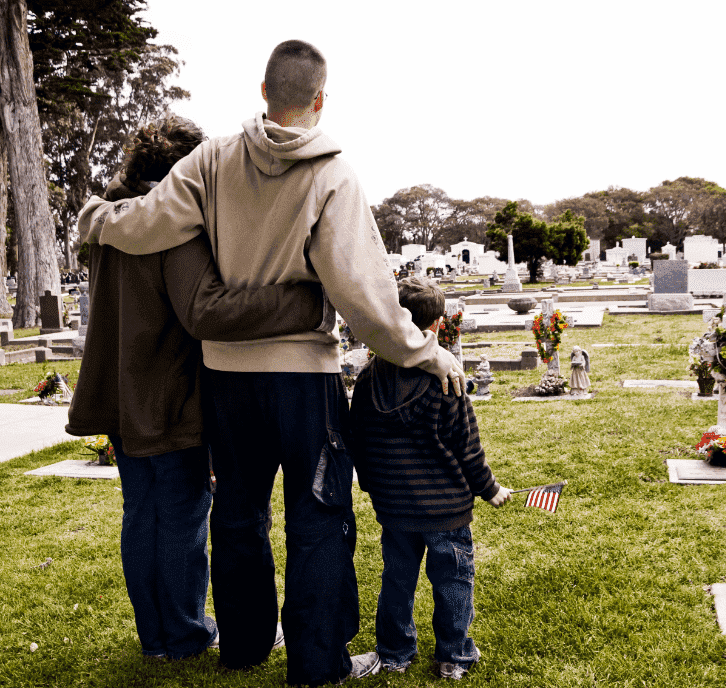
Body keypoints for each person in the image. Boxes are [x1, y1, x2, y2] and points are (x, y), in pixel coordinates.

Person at [75, 40, 465, 685]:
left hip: (226, 380)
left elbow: (145, 225)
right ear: (320, 99)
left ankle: (245, 645)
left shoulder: (211, 159)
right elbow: (362, 295)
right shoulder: (335, 173)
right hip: (302, 379)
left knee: (237, 515)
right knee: (317, 515)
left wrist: (96, 217)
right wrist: (422, 350)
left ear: (262, 91)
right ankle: (316, 661)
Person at [67, 114, 325, 660]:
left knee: (142, 513)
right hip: (169, 390)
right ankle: (184, 633)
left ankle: (157, 635)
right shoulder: (168, 222)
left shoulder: (114, 214)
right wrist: (306, 301)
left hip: (122, 389)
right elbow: (206, 310)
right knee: (182, 515)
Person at [349, 276, 512, 680]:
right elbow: (467, 446)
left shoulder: (369, 378)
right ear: (437, 324)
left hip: (395, 506)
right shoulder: (446, 378)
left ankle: (395, 653)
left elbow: (360, 441)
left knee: (397, 581)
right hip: (446, 510)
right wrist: (489, 488)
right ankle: (453, 656)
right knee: (453, 582)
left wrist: (373, 487)